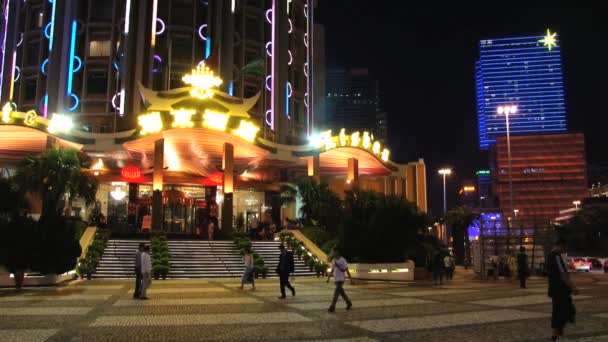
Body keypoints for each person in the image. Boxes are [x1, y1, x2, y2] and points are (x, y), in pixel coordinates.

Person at [547, 237, 578, 342]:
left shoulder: (550, 256)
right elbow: (563, 275)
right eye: (565, 246)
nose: (566, 249)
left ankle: (558, 332)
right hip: (560, 290)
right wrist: (573, 287)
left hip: (555, 289)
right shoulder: (556, 256)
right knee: (565, 311)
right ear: (560, 245)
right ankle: (556, 334)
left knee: (560, 310)